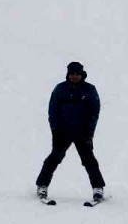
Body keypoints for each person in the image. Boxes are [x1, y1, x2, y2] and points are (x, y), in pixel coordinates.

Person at [35, 61, 106, 202]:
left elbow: (94, 113)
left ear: (82, 74)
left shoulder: (90, 90)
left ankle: (98, 188)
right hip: (63, 131)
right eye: (72, 74)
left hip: (82, 132)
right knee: (54, 158)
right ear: (68, 74)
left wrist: (89, 132)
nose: (74, 76)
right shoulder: (60, 89)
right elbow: (52, 111)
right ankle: (42, 185)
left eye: (77, 74)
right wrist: (55, 129)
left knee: (89, 160)